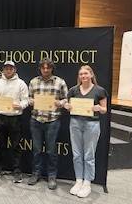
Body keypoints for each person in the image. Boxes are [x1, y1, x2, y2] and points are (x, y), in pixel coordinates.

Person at [64, 65, 107, 198]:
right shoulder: (73, 90)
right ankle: (78, 180)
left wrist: (98, 107)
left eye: (86, 74)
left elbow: (105, 109)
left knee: (89, 155)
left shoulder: (100, 90)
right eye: (81, 74)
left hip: (91, 124)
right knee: (77, 154)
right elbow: (67, 104)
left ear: (91, 75)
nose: (83, 76)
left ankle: (87, 182)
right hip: (75, 123)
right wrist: (67, 106)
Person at [27, 58, 68, 190]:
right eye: (43, 68)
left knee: (51, 151)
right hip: (36, 119)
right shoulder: (33, 82)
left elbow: (66, 99)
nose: (45, 70)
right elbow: (28, 98)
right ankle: (36, 173)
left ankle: (51, 176)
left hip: (53, 120)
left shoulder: (60, 82)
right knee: (37, 150)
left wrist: (60, 103)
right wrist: (30, 101)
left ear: (52, 68)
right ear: (40, 69)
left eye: (48, 68)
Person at [0, 61, 29, 183]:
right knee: (0, 145)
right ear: (3, 70)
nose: (8, 70)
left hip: (15, 118)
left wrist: (20, 106)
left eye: (11, 68)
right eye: (6, 68)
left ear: (15, 70)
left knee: (16, 146)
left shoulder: (21, 84)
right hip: (0, 117)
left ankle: (16, 170)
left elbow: (26, 100)